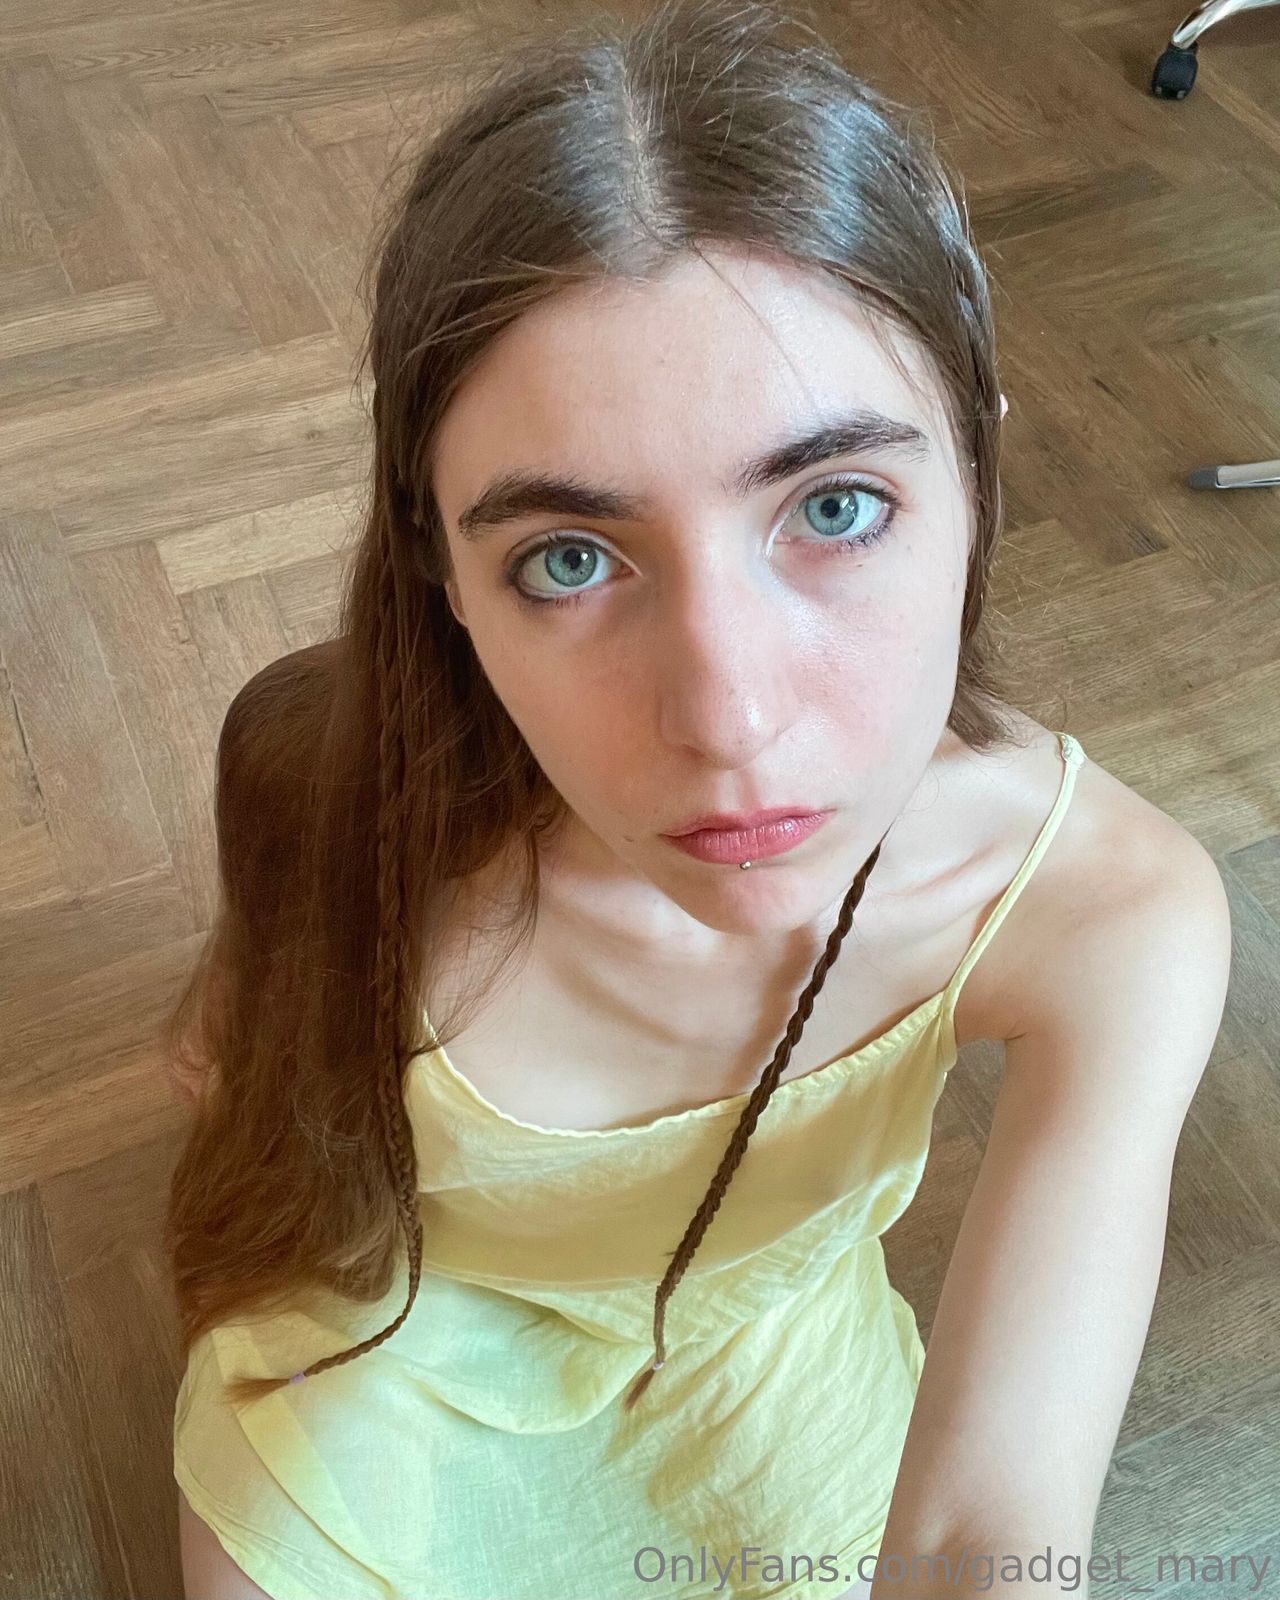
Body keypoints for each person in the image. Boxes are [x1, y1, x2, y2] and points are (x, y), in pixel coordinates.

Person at [166, 2, 1232, 1597]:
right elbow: (237, 1091)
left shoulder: (1111, 916)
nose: (730, 723)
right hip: (396, 1337)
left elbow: (984, 1533)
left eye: (837, 508)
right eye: (568, 559)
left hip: (756, 1351)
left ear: (981, 480)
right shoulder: (334, 787)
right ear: (440, 573)